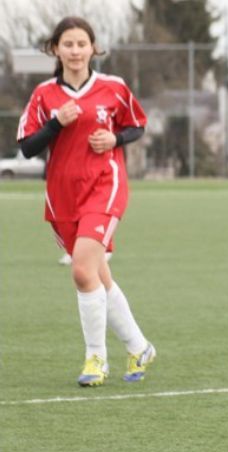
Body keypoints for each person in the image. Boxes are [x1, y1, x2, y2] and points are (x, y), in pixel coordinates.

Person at [16, 17, 156, 387]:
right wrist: (55, 123)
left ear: (94, 48)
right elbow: (28, 147)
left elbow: (137, 124)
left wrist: (115, 140)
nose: (75, 51)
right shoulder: (44, 95)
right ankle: (140, 347)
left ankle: (96, 359)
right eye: (68, 44)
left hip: (104, 187)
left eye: (82, 44)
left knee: (81, 270)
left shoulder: (113, 87)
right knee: (95, 273)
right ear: (55, 49)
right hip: (62, 195)